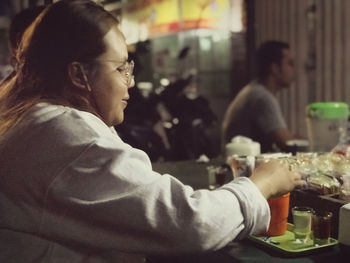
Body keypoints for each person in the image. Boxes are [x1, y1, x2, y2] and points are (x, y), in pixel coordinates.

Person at [0, 1, 305, 262]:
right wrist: (262, 183)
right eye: (121, 69)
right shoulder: (68, 134)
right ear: (79, 74)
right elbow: (192, 224)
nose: (130, 82)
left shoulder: (31, 115)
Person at [222, 41, 296, 153]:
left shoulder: (254, 89)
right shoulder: (262, 98)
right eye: (290, 63)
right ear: (275, 68)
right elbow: (288, 143)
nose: (293, 70)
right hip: (243, 165)